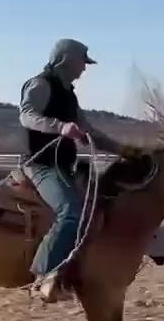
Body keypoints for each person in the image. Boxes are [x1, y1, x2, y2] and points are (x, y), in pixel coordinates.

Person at [19, 38, 138, 302]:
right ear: (66, 59)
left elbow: (90, 132)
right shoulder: (40, 84)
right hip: (42, 166)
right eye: (82, 63)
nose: (84, 69)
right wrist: (59, 127)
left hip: (65, 166)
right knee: (71, 211)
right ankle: (42, 277)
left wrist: (125, 151)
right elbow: (26, 114)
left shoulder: (69, 94)